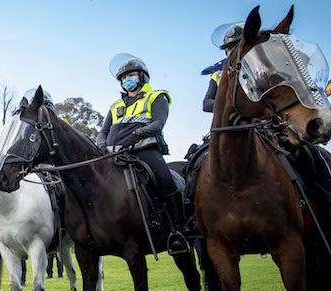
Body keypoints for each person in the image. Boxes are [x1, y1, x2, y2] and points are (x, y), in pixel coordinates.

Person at [96, 53, 188, 255]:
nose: (127, 79)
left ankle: (178, 231)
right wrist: (101, 145)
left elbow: (158, 123)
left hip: (145, 151)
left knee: (166, 181)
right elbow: (103, 131)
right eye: (123, 77)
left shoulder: (156, 96)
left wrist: (138, 134)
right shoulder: (115, 106)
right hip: (115, 155)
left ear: (142, 76)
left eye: (131, 74)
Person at [203, 23, 243, 113]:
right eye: (231, 48)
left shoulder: (259, 68)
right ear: (226, 52)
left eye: (238, 46)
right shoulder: (217, 75)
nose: (235, 51)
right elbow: (206, 104)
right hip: (232, 121)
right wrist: (231, 104)